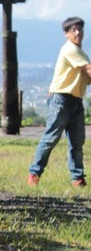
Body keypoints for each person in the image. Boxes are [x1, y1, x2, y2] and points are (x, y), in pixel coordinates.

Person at [28, 17, 90, 187]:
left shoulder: (82, 53)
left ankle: (78, 178)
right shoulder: (70, 49)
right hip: (61, 100)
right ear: (66, 34)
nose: (78, 32)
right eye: (73, 30)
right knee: (50, 139)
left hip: (76, 100)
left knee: (77, 142)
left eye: (80, 29)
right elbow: (89, 70)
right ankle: (34, 174)